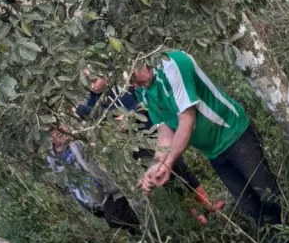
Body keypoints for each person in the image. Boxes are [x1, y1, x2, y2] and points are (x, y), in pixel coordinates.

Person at [130, 51, 284, 241]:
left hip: (234, 135)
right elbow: (165, 132)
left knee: (267, 193)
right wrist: (157, 165)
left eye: (132, 77)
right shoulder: (141, 90)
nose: (133, 85)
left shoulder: (172, 65)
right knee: (249, 204)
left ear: (138, 60)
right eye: (129, 83)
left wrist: (168, 164)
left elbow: (187, 121)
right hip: (212, 152)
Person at [75, 72, 220, 226]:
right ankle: (194, 213)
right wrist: (81, 109)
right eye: (89, 83)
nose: (93, 86)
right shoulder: (95, 101)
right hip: (134, 145)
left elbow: (141, 99)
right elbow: (93, 117)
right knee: (163, 178)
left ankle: (207, 203)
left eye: (94, 81)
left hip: (153, 131)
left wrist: (129, 115)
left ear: (104, 76)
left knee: (179, 165)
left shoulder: (122, 85)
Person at [47, 126, 140, 232]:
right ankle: (140, 229)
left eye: (59, 129)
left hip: (110, 190)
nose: (60, 131)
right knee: (116, 219)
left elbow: (93, 134)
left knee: (117, 217)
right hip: (99, 202)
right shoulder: (57, 163)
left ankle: (141, 224)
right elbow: (51, 161)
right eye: (54, 133)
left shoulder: (78, 143)